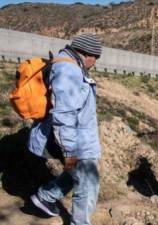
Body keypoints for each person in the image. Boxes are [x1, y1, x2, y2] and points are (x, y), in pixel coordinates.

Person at [28, 33, 102, 225]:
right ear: (88, 54)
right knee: (87, 182)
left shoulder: (72, 66)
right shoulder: (69, 70)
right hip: (76, 143)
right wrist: (71, 150)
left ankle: (45, 197)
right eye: (96, 57)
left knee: (74, 174)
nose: (95, 62)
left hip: (81, 140)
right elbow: (63, 114)